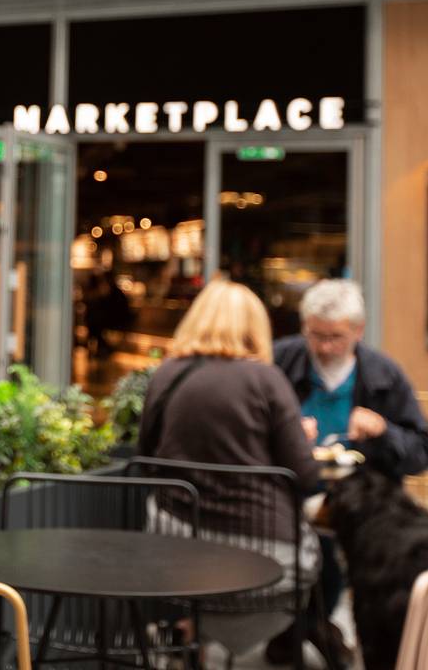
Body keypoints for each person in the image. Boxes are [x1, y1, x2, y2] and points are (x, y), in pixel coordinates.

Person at [138, 281, 325, 662]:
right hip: (265, 561)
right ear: (257, 328)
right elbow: (306, 476)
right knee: (315, 560)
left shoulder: (166, 375)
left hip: (177, 552)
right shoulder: (266, 380)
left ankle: (192, 632)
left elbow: (146, 457)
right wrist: (300, 439)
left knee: (200, 587)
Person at [271, 278, 428, 665]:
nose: (325, 347)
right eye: (316, 336)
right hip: (290, 490)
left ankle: (306, 628)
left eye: (336, 338)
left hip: (363, 502)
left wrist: (383, 431)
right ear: (303, 327)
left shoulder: (384, 375)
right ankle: (310, 628)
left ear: (358, 332)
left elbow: (422, 452)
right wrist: (286, 432)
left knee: (336, 548)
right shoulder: (280, 362)